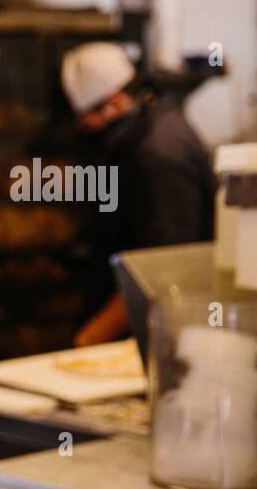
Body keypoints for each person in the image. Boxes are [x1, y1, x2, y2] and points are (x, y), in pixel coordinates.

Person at [60, 41, 216, 346]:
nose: (82, 128)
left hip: (166, 335)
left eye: (85, 118)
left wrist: (89, 338)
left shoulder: (158, 153)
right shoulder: (148, 130)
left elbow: (164, 268)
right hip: (138, 321)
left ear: (115, 103)